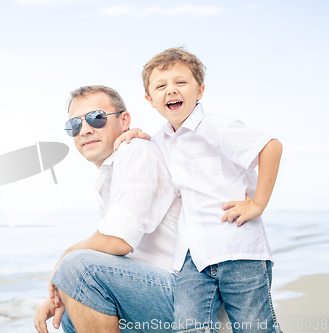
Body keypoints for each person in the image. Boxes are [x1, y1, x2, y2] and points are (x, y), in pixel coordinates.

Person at [115, 47, 283, 332]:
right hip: (193, 258)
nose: (171, 90)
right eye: (161, 86)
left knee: (255, 327)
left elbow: (270, 147)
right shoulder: (161, 140)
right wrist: (135, 134)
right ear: (149, 99)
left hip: (238, 249)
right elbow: (152, 155)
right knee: (189, 327)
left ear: (200, 90)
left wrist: (257, 204)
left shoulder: (216, 126)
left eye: (181, 82)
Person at [34, 85, 182, 333]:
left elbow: (117, 241)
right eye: (75, 124)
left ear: (124, 120)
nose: (86, 130)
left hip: (185, 292)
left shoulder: (135, 151)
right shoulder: (109, 175)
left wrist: (63, 264)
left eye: (97, 118)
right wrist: (65, 295)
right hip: (154, 291)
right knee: (71, 314)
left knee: (77, 266)